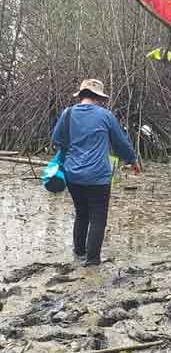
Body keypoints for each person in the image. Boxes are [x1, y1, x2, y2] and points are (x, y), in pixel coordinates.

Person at [51, 79, 139, 267]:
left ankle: (79, 253)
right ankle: (92, 260)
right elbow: (121, 143)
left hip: (72, 174)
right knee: (98, 216)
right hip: (98, 176)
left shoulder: (67, 114)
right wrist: (132, 160)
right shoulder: (106, 116)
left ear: (81, 95)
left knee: (81, 213)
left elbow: (56, 139)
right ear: (98, 97)